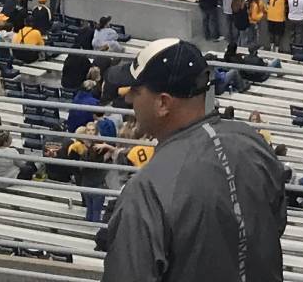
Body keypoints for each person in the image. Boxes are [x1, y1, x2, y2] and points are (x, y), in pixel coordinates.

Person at [101, 39, 286, 282]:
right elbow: (275, 224)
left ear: (163, 103)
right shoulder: (253, 142)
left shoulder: (147, 190)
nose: (128, 99)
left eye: (136, 90)